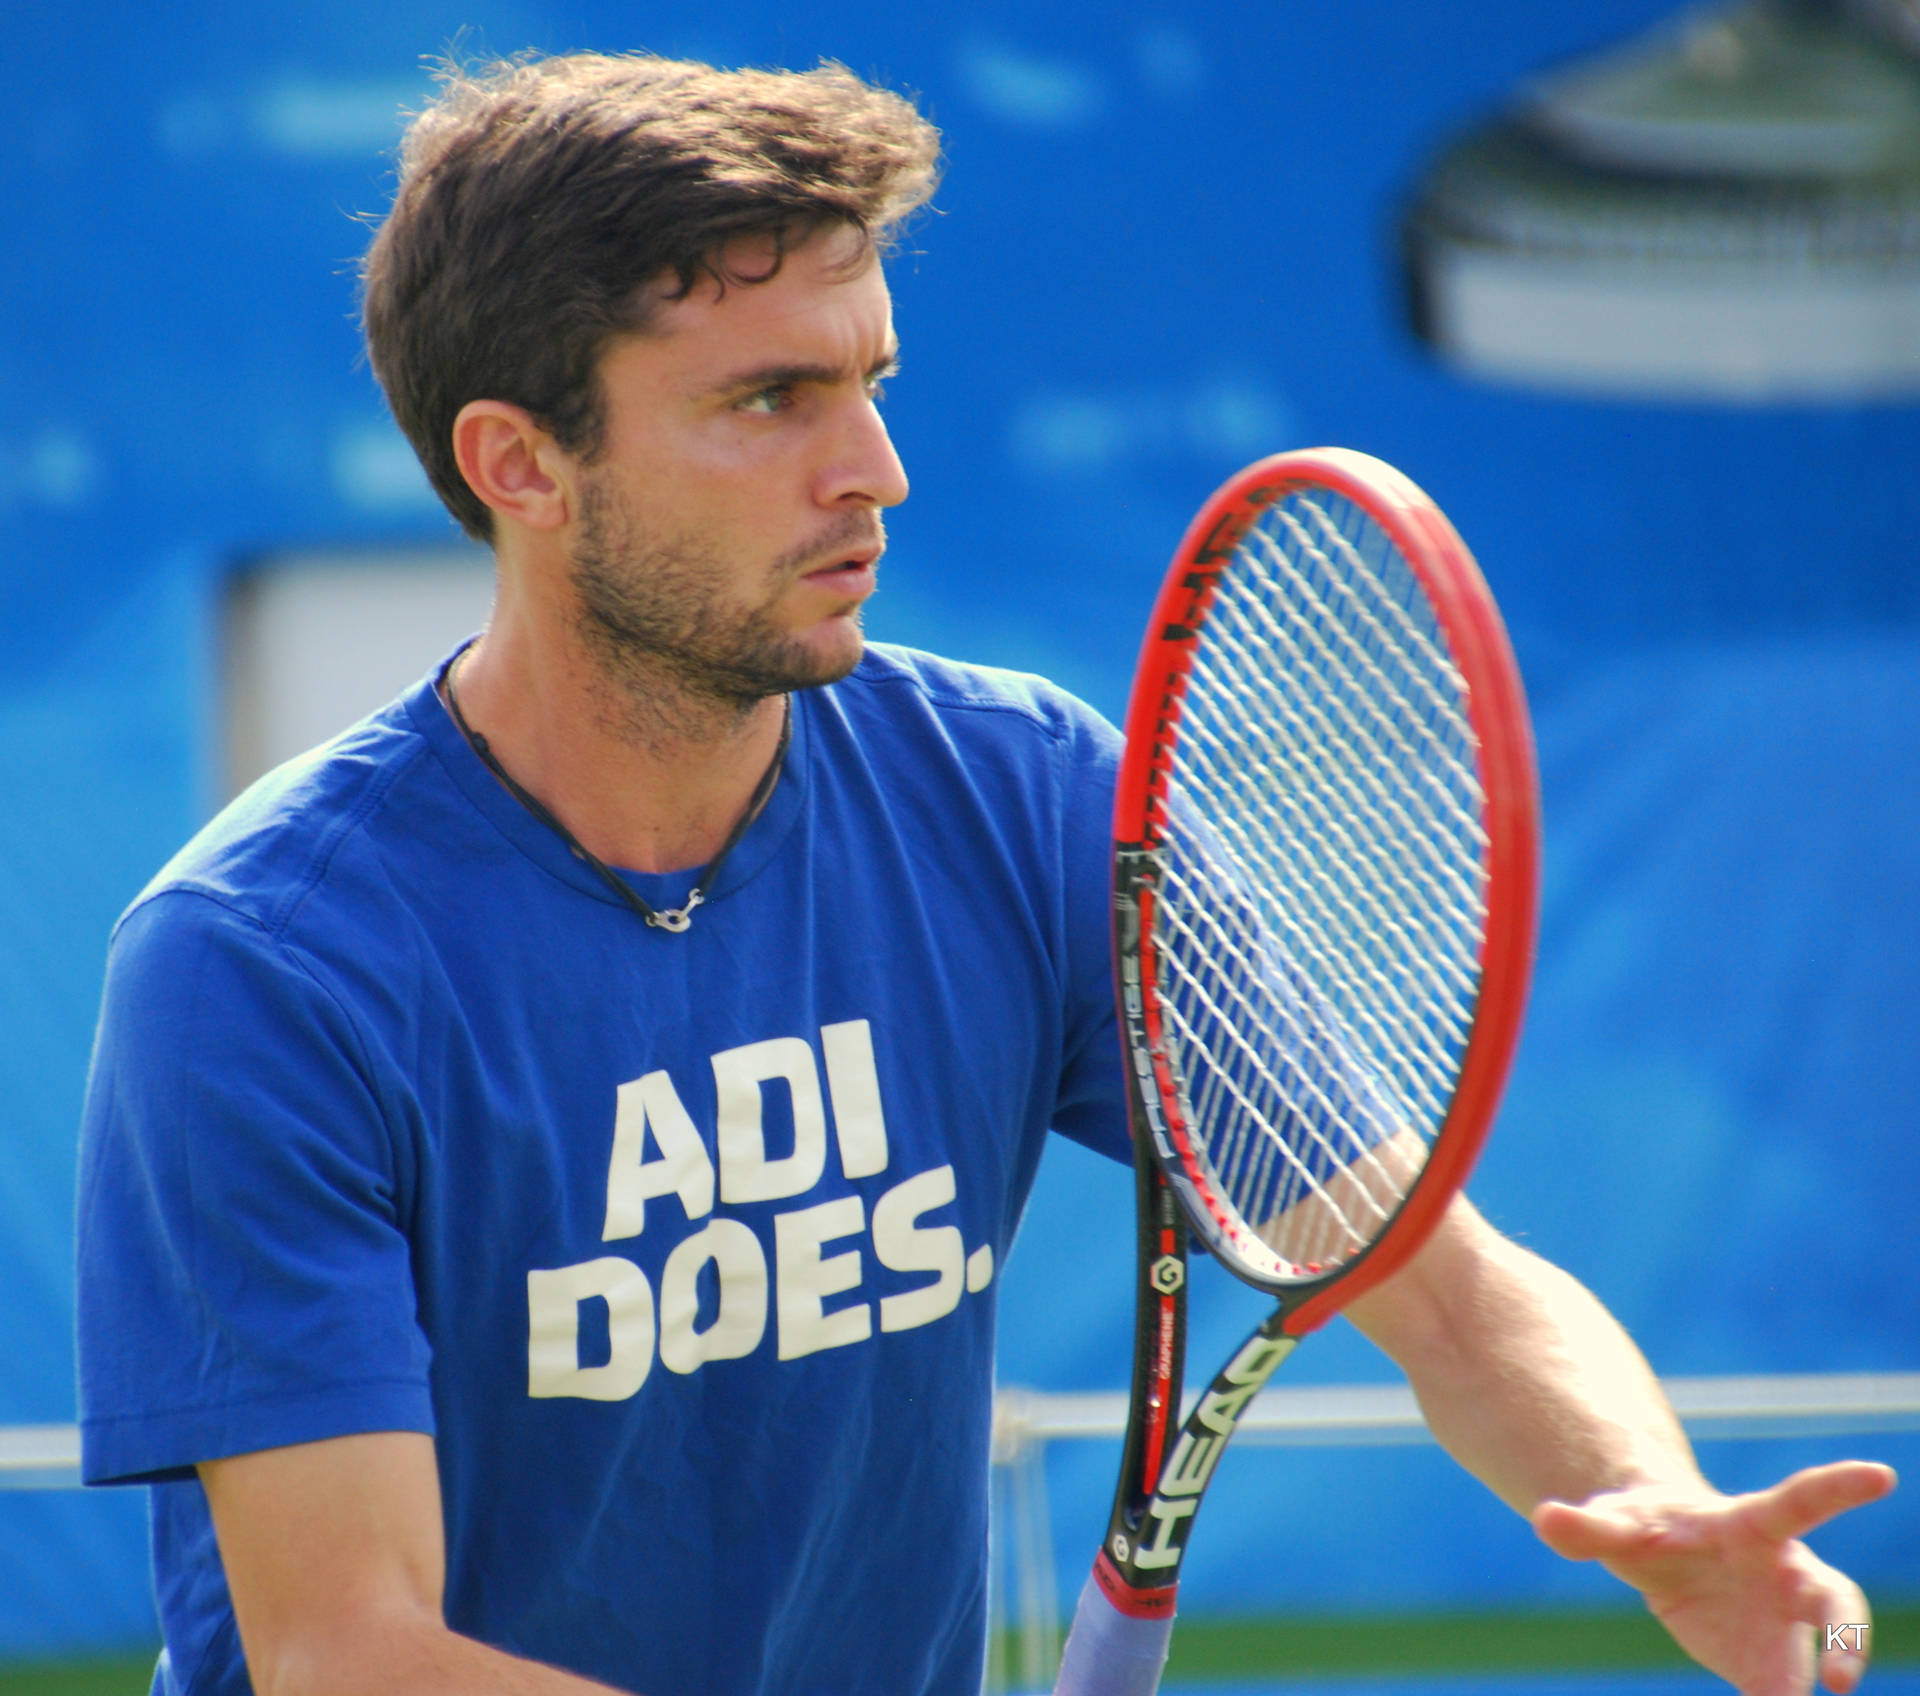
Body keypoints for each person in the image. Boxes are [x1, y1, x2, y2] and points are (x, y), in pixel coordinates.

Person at [75, 48, 1894, 1696]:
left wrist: (1655, 1503)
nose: (874, 470)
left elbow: (1437, 1278)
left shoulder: (1022, 798)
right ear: (519, 465)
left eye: (869, 382)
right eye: (768, 400)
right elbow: (351, 1652)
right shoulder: (258, 968)